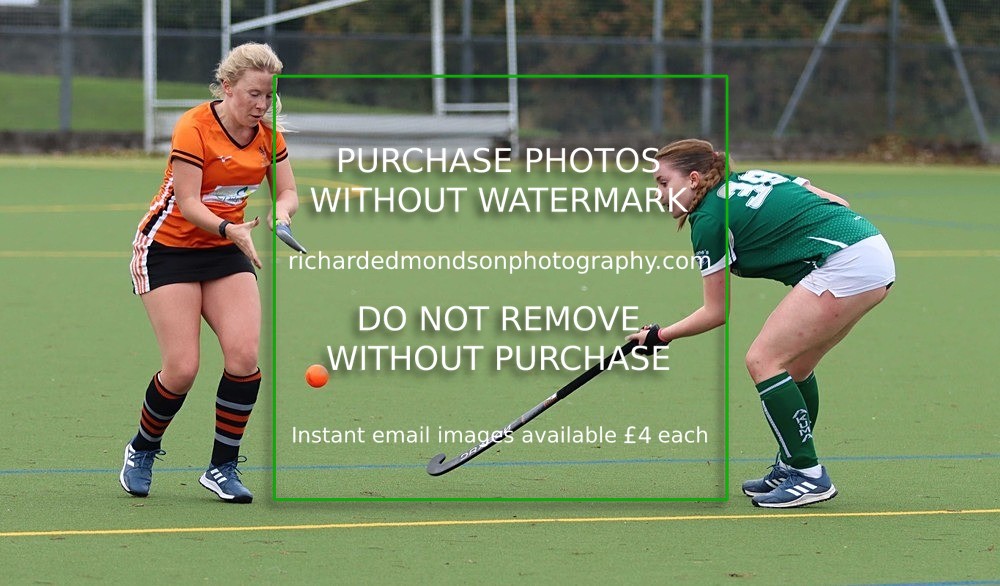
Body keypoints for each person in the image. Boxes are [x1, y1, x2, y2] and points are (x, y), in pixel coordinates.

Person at [628, 139, 894, 508]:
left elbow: (716, 312)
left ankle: (809, 475)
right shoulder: (753, 177)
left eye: (662, 183)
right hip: (868, 249)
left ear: (692, 179)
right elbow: (836, 201)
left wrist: (659, 336)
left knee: (763, 360)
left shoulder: (708, 220)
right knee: (796, 367)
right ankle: (791, 465)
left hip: (846, 264)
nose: (658, 195)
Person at [120, 42, 298, 503]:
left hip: (225, 250)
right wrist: (230, 228)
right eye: (253, 95)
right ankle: (142, 449)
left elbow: (288, 191)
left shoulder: (269, 135)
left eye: (269, 96)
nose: (262, 106)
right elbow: (188, 202)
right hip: (168, 249)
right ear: (227, 87)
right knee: (181, 369)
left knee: (244, 357)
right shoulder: (194, 126)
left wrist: (281, 215)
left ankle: (221, 468)